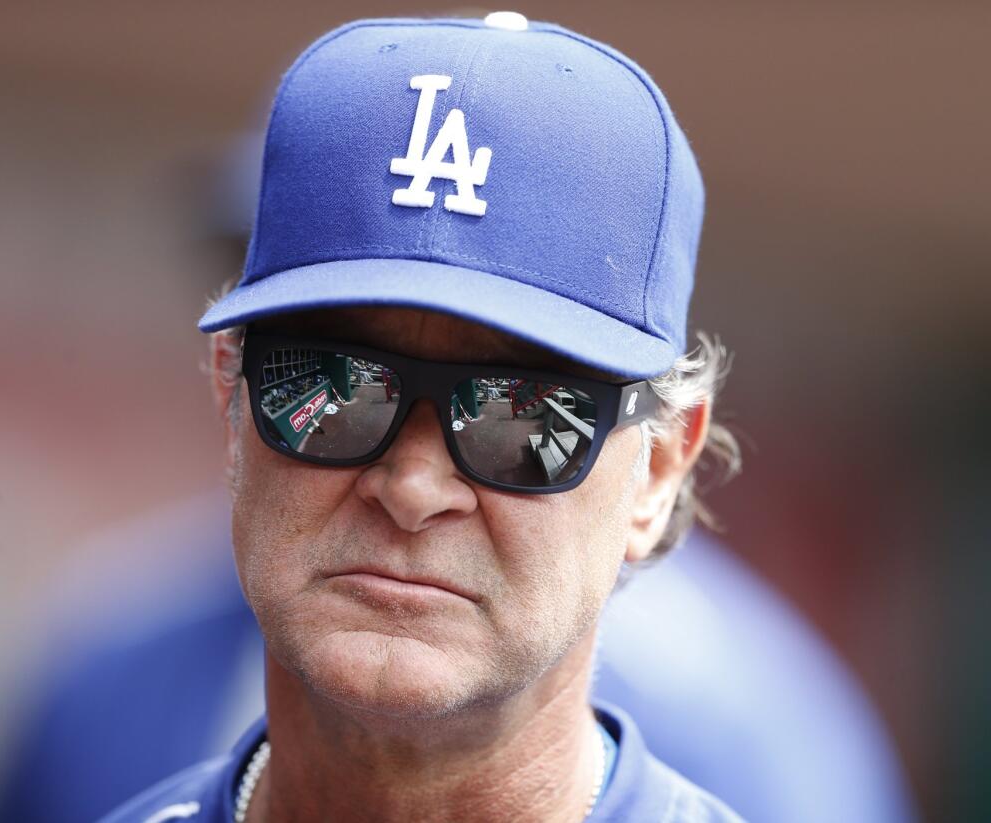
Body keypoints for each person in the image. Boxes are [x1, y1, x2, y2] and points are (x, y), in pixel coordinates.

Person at [104, 12, 747, 821]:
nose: (412, 487)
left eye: (521, 413)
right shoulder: (106, 670)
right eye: (335, 384)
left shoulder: (757, 727)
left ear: (656, 471)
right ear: (231, 395)